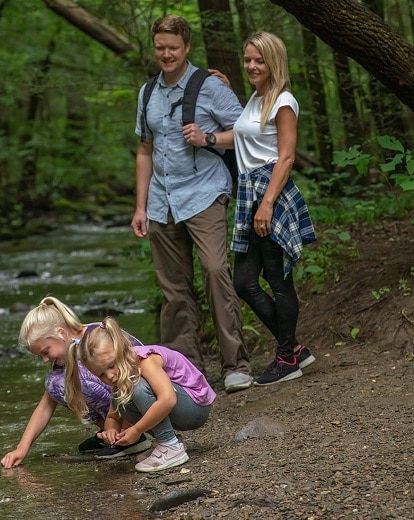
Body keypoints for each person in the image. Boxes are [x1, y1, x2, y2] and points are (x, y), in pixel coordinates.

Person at [131, 14, 253, 393]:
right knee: (174, 288)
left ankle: (236, 364)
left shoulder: (210, 86)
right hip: (161, 201)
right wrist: (139, 207)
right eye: (160, 48)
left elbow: (246, 133)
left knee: (215, 270)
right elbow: (144, 150)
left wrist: (209, 138)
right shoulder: (147, 92)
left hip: (203, 192)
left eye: (173, 48)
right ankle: (185, 369)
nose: (166, 54)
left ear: (186, 47)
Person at [231, 32, 317, 386]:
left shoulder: (283, 101)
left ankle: (286, 358)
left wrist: (266, 204)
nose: (251, 65)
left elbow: (286, 156)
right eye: (248, 59)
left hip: (270, 193)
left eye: (259, 60)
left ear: (273, 62)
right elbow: (241, 137)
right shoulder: (256, 98)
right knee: (245, 282)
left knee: (279, 282)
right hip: (249, 193)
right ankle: (293, 349)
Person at [0, 297, 151, 468]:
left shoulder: (94, 341)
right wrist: (21, 448)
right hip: (125, 405)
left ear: (61, 332)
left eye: (45, 351)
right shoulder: (66, 356)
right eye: (39, 356)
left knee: (67, 381)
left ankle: (129, 435)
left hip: (144, 396)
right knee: (55, 384)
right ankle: (109, 434)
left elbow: (128, 375)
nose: (44, 360)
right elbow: (44, 407)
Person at [64, 316, 216, 472]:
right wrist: (110, 432)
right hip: (181, 409)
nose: (109, 376)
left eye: (111, 365)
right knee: (119, 398)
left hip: (196, 406)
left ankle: (170, 446)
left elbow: (168, 399)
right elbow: (113, 416)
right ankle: (165, 443)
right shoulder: (120, 375)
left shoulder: (145, 360)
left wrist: (136, 430)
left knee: (134, 386)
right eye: (101, 374)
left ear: (122, 349)